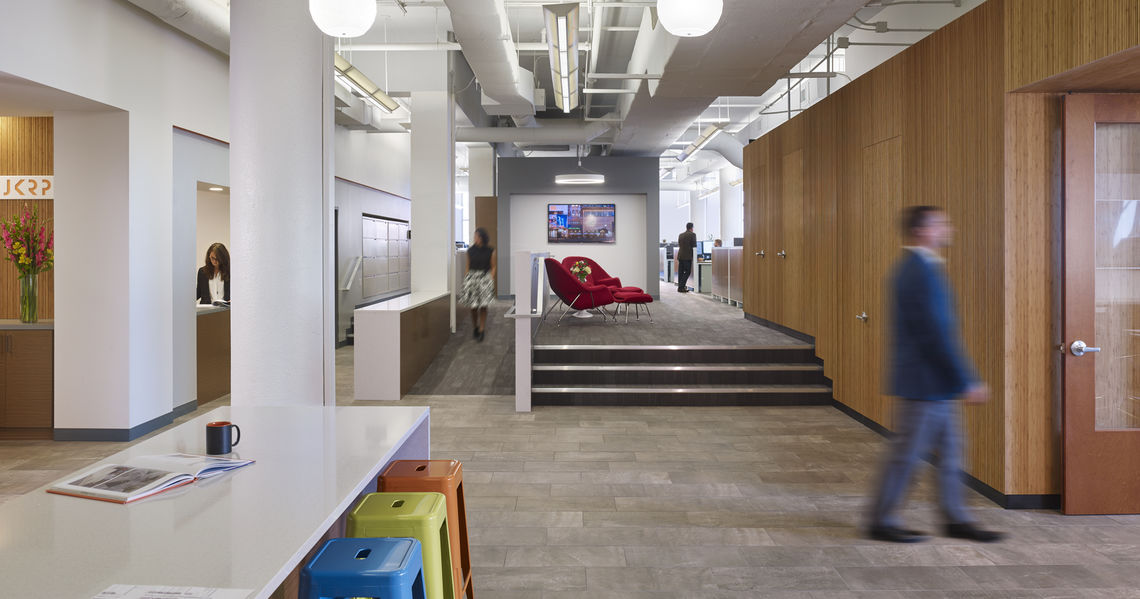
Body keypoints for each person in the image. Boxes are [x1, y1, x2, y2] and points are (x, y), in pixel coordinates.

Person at [866, 206, 1003, 544]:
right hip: (923, 383)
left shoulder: (925, 268)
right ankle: (881, 519)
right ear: (922, 230)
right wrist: (966, 379)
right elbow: (935, 333)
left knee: (953, 451)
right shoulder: (917, 272)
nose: (948, 228)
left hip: (937, 383)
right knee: (907, 455)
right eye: (941, 224)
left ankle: (956, 518)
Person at [460, 228, 496, 342]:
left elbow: (493, 267)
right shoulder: (470, 251)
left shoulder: (490, 250)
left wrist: (490, 279)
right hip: (472, 279)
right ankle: (475, 327)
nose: (475, 238)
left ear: (482, 238)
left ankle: (482, 329)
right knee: (473, 307)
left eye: (477, 236)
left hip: (485, 279)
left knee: (483, 306)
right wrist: (466, 279)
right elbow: (467, 266)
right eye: (475, 236)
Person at [676, 222, 696, 292]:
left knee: (681, 272)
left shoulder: (681, 235)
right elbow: (694, 246)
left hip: (680, 255)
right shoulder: (692, 234)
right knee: (687, 272)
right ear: (692, 228)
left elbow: (679, 244)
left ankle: (680, 288)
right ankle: (681, 286)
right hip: (687, 256)